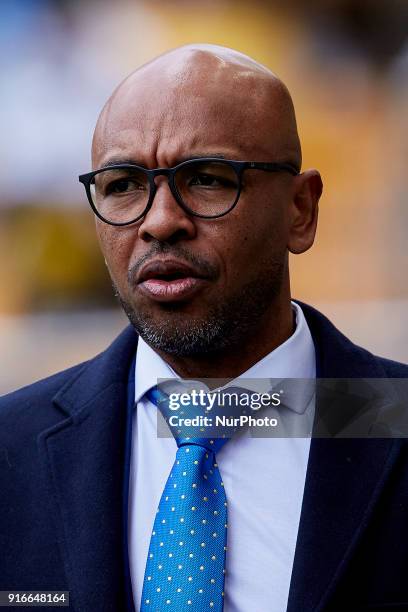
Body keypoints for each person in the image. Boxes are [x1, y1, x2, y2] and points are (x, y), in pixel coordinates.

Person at [0, 44, 407, 612]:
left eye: (209, 179)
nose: (160, 221)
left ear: (301, 210)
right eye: (122, 186)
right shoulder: (10, 448)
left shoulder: (390, 415)